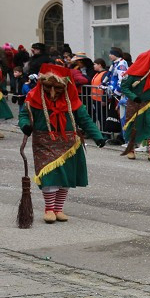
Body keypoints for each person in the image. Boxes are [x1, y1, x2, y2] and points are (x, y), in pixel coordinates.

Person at [19, 64, 106, 222]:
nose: (52, 93)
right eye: (48, 88)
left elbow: (85, 119)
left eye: (57, 89)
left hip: (69, 144)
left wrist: (97, 136)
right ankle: (49, 209)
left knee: (65, 177)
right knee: (48, 175)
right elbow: (24, 114)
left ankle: (58, 209)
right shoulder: (34, 97)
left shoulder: (72, 100)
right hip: (44, 141)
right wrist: (25, 125)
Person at [119, 50, 150, 162]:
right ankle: (131, 149)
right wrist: (134, 97)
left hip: (149, 103)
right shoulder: (131, 74)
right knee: (134, 127)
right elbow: (124, 87)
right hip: (135, 104)